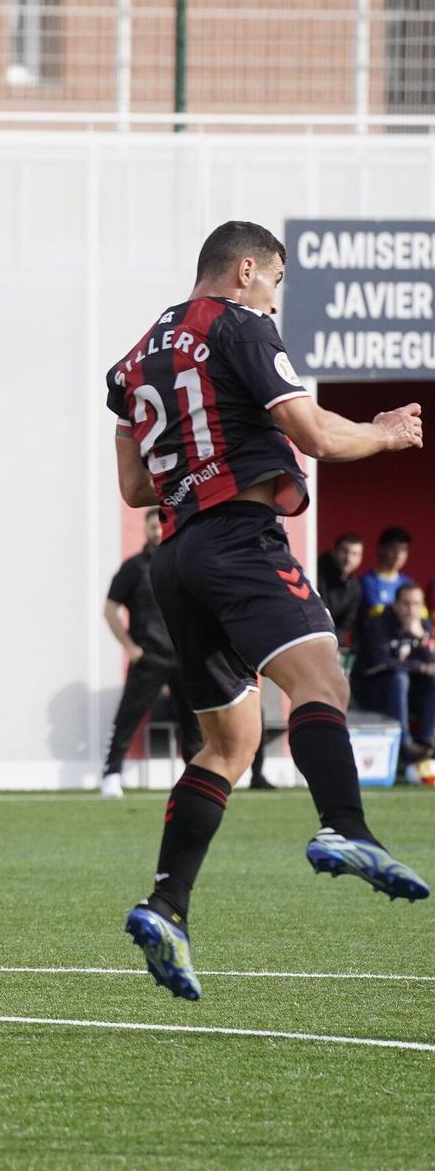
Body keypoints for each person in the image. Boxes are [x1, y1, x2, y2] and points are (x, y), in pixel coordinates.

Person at [105, 220, 427, 1003]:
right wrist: (383, 434)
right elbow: (313, 432)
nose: (275, 302)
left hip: (176, 561)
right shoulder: (239, 326)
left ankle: (167, 905)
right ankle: (345, 824)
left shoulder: (135, 356)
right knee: (323, 679)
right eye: (276, 283)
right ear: (247, 270)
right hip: (239, 537)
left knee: (230, 742)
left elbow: (137, 488)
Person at [100, 510, 203, 797]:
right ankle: (111, 774)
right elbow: (109, 611)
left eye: (162, 526)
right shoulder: (133, 568)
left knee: (193, 722)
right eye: (153, 527)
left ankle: (195, 781)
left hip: (183, 657)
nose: (158, 531)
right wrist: (130, 647)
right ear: (145, 530)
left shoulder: (183, 563)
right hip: (149, 657)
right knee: (127, 717)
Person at [350, 581, 435, 768]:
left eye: (417, 605)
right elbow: (383, 662)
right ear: (395, 604)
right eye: (406, 604)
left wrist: (421, 639)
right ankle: (405, 745)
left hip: (407, 693)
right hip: (370, 689)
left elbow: (432, 665)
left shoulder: (423, 625)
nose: (411, 610)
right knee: (399, 678)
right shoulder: (379, 624)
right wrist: (418, 667)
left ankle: (427, 742)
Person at [359, 526, 414, 623]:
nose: (398, 555)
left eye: (403, 549)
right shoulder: (367, 581)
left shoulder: (408, 583)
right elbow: (377, 613)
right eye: (393, 548)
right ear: (381, 549)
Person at [318, 532, 364, 644]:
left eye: (355, 554)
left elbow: (344, 625)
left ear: (360, 558)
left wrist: (333, 644)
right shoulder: (315, 572)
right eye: (344, 551)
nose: (348, 558)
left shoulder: (355, 588)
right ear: (334, 551)